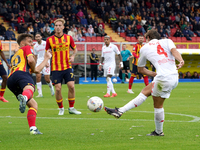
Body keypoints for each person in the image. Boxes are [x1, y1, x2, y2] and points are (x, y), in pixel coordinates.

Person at [105, 29, 185, 136]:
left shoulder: (144, 48)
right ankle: (120, 110)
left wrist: (153, 74)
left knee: (157, 105)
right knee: (146, 92)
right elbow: (174, 51)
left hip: (162, 78)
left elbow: (141, 70)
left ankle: (158, 131)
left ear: (147, 38)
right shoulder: (167, 41)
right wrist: (181, 60)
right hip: (174, 77)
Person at [7, 33, 52, 134]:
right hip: (22, 75)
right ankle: (25, 97)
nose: (32, 44)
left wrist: (46, 58)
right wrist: (32, 68)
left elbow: (36, 70)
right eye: (30, 41)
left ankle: (33, 129)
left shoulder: (15, 55)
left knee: (33, 104)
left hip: (11, 80)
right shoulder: (27, 48)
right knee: (30, 88)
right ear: (22, 43)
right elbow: (31, 61)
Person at [45, 18, 81, 115]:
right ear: (54, 27)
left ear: (63, 27)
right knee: (58, 88)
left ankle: (71, 108)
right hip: (56, 68)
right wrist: (46, 61)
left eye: (60, 25)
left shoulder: (69, 38)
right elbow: (46, 51)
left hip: (67, 66)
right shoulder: (49, 40)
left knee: (71, 86)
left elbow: (75, 49)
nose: (58, 27)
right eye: (56, 26)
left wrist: (73, 56)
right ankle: (61, 108)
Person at [34, 32, 55, 97]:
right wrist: (35, 65)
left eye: (38, 36)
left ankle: (51, 88)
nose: (37, 38)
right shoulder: (35, 46)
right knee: (38, 77)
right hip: (39, 63)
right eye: (36, 37)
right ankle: (40, 94)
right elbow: (35, 56)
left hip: (46, 62)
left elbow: (49, 53)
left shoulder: (45, 43)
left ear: (41, 37)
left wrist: (47, 61)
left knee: (47, 79)